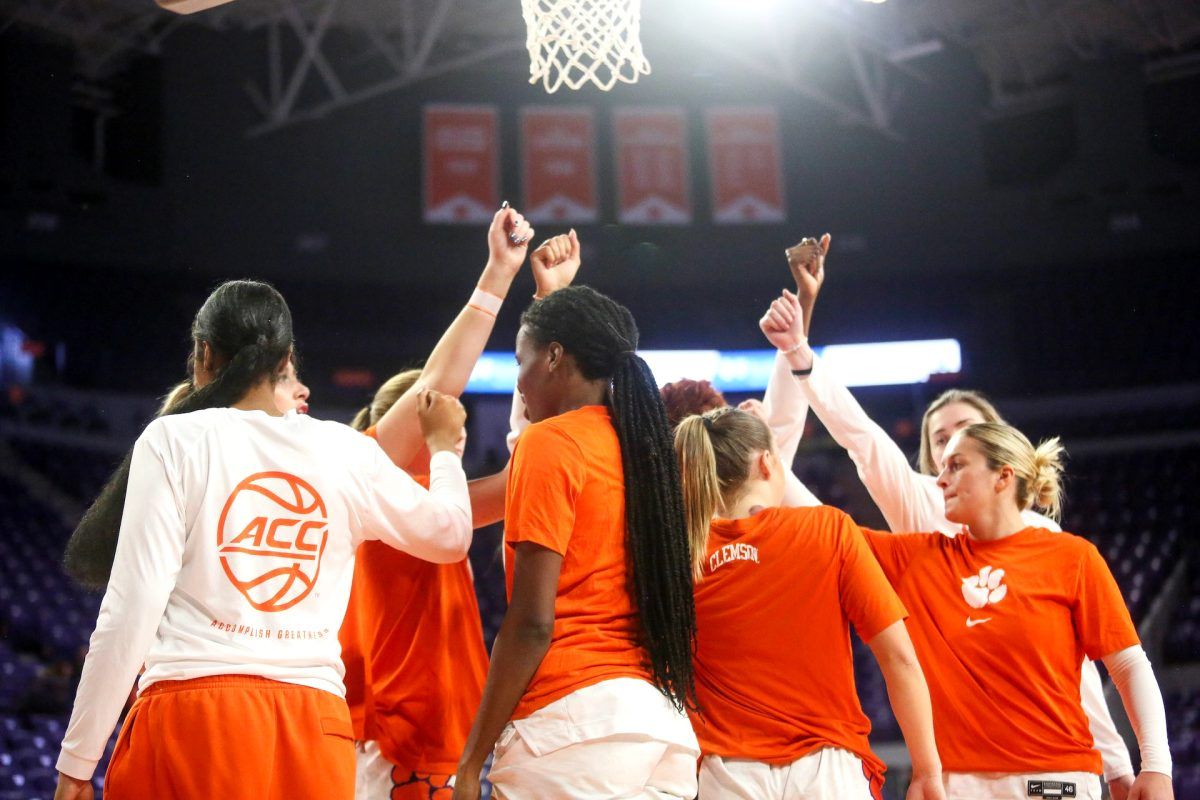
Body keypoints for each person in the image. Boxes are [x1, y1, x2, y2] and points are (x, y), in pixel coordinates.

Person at [53, 280, 473, 800]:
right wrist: (445, 452)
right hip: (315, 726)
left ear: (204, 355)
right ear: (286, 358)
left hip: (192, 714)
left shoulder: (174, 439)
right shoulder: (343, 449)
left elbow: (130, 608)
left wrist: (78, 760)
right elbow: (452, 536)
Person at [778, 243, 1137, 793]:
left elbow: (1080, 675)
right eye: (939, 441)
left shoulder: (1051, 543)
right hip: (961, 761)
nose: (950, 449)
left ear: (1002, 457)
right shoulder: (922, 505)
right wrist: (801, 358)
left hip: (1051, 760)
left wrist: (1117, 766)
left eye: (964, 437)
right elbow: (865, 441)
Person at [452, 283, 699, 800]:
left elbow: (532, 623)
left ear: (554, 356)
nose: (518, 383)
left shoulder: (550, 442)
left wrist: (474, 757)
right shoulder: (645, 451)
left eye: (521, 360)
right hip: (661, 727)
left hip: (570, 726)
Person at [859, 422, 1173, 800]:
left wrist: (1156, 765)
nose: (940, 480)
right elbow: (826, 533)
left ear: (1003, 476)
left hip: (1056, 779)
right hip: (956, 784)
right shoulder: (916, 558)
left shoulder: (1072, 558)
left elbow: (1128, 666)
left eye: (956, 465)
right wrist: (769, 445)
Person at [675, 403, 945, 800]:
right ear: (768, 463)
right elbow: (899, 658)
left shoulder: (680, 553)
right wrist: (927, 770)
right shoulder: (828, 529)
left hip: (727, 773)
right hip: (829, 769)